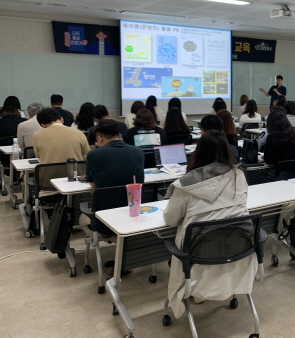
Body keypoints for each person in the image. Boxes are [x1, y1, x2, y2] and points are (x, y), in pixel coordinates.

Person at [163, 130, 255, 318]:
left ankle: (196, 293)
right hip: (236, 252)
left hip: (199, 257)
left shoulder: (186, 184)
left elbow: (170, 219)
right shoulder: (238, 176)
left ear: (198, 152)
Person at [33, 107, 90, 186]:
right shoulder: (79, 133)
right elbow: (87, 155)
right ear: (62, 119)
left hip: (49, 184)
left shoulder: (37, 135)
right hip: (77, 182)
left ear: (43, 125)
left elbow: (39, 157)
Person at [85, 120, 144, 188]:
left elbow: (93, 184)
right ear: (119, 136)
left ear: (99, 138)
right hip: (135, 194)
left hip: (107, 195)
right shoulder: (138, 151)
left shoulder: (93, 154)